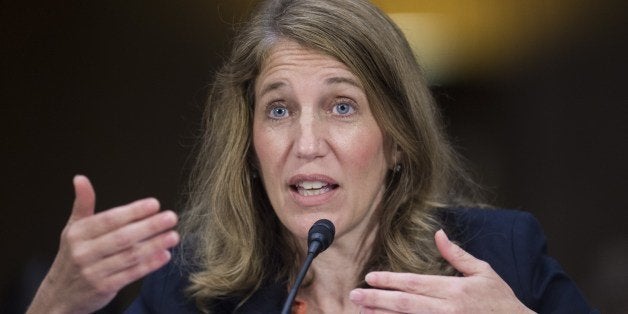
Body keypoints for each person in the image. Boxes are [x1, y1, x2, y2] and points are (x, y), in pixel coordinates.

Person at [27, 0, 598, 313]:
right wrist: (55, 306)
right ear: (249, 146)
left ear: (397, 139)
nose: (305, 143)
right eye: (278, 110)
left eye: (342, 107)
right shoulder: (187, 290)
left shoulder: (504, 257)